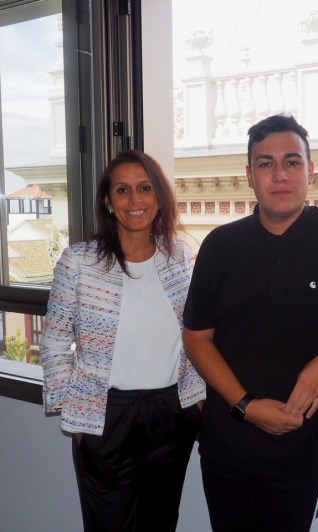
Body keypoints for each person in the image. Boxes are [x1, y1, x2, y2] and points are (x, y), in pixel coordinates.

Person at [183, 113, 318, 532]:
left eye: (292, 161)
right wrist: (246, 406)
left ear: (310, 171)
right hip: (227, 444)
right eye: (265, 163)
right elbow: (196, 338)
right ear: (249, 175)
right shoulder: (220, 246)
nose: (279, 174)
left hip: (301, 442)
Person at [41, 149, 205, 532]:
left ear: (159, 197)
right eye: (123, 190)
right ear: (108, 201)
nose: (135, 200)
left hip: (172, 412)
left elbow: (195, 336)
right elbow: (54, 343)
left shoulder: (180, 257)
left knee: (161, 522)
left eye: (145, 188)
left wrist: (195, 405)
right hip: (105, 415)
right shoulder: (78, 262)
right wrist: (78, 423)